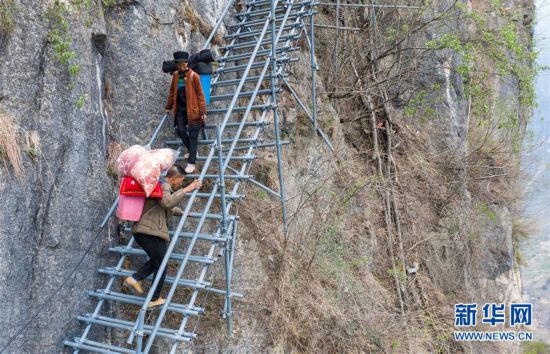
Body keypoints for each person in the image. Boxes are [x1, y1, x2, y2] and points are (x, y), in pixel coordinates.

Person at [123, 165, 202, 308]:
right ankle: (154, 298)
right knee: (162, 264)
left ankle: (135, 279)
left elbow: (162, 205)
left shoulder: (157, 185)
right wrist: (187, 189)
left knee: (158, 261)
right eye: (180, 180)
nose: (181, 183)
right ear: (172, 178)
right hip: (151, 232)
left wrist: (180, 212)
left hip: (142, 231)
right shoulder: (164, 185)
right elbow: (167, 203)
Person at [165, 51, 207, 174]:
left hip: (194, 110)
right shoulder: (176, 75)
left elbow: (201, 95)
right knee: (180, 129)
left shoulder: (194, 76)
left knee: (193, 136)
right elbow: (172, 92)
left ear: (187, 63)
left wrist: (203, 111)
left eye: (183, 64)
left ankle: (191, 162)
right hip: (180, 110)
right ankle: (192, 150)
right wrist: (168, 106)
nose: (181, 67)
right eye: (179, 65)